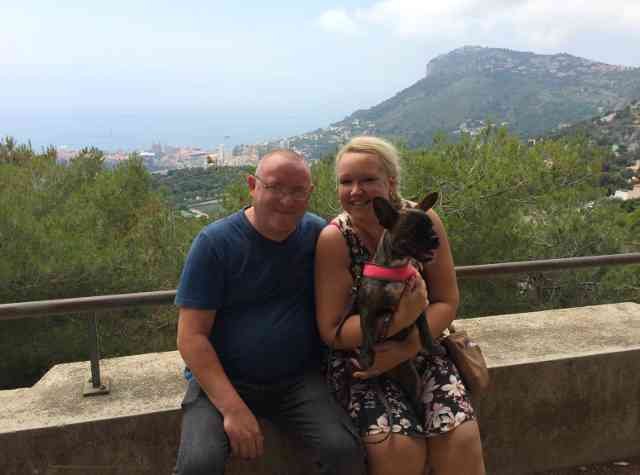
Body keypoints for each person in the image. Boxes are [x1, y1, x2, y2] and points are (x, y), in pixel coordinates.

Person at [174, 149, 365, 475]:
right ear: (252, 185)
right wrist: (233, 409)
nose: (286, 200)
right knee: (199, 466)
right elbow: (191, 337)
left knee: (345, 451)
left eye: (297, 191)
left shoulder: (319, 236)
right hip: (224, 380)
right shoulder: (215, 244)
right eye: (275, 187)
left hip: (297, 381)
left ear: (310, 193)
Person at [315, 137, 486, 475]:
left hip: (423, 349)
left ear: (390, 182)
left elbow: (446, 300)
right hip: (363, 360)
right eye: (346, 181)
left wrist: (405, 348)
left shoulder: (424, 220)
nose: (355, 191)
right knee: (398, 450)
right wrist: (401, 320)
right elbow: (332, 331)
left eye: (368, 180)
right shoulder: (336, 239)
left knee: (460, 439)